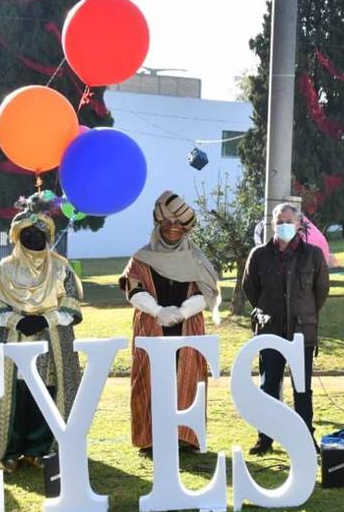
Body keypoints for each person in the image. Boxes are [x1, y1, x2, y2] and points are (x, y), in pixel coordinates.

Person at [0, 196, 84, 471]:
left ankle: (42, 449)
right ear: (17, 236)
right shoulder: (3, 270)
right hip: (14, 342)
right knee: (14, 393)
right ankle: (10, 451)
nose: (33, 238)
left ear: (48, 236)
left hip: (52, 340)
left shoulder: (62, 268)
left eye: (39, 234)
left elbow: (71, 305)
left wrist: (45, 319)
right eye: (26, 233)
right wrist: (16, 320)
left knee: (48, 392)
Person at [120, 191, 220, 451]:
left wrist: (182, 312)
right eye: (167, 223)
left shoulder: (197, 259)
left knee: (188, 378)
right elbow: (133, 289)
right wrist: (158, 311)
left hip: (188, 329)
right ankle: (150, 439)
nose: (173, 228)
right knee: (149, 379)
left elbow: (207, 292)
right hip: (152, 328)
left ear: (186, 228)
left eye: (179, 224)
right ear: (158, 225)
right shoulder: (141, 258)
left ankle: (185, 437)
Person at [242, 203, 330, 456]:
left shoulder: (312, 255)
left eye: (288, 221)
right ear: (272, 223)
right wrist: (269, 310)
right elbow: (251, 290)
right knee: (269, 386)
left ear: (298, 223)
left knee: (302, 388)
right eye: (279, 221)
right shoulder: (259, 255)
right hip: (270, 330)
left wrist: (303, 312)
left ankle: (305, 437)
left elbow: (320, 292)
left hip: (302, 332)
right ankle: (265, 438)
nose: (283, 225)